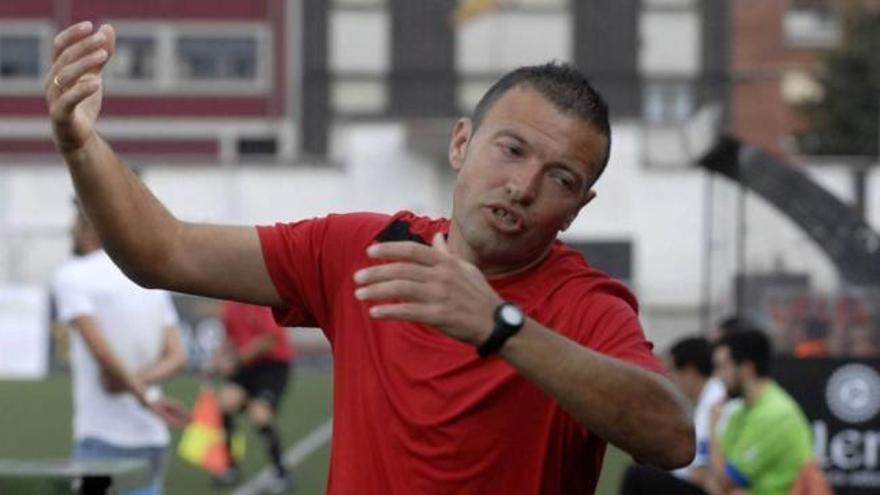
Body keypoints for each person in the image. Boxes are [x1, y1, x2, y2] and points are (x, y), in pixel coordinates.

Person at [45, 21, 694, 494]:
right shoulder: (362, 247)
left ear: (580, 205)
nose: (523, 186)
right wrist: (83, 146)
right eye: (512, 149)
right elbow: (166, 251)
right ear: (460, 142)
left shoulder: (584, 304)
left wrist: (500, 325)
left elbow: (670, 436)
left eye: (561, 178)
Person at [52, 204, 189, 494]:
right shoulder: (149, 275)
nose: (72, 231)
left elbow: (103, 356)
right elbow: (178, 356)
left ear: (90, 231)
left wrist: (140, 394)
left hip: (104, 438)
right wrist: (146, 391)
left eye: (76, 224)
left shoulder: (72, 275)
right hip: (153, 438)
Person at [709, 329, 813, 495]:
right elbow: (716, 479)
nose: (717, 376)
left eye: (722, 367)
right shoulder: (740, 412)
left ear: (746, 368)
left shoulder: (774, 414)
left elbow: (724, 481)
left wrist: (712, 424)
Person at [620, 336, 723, 494]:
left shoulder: (713, 400)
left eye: (672, 370)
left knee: (636, 475)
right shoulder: (708, 396)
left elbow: (700, 474)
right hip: (697, 482)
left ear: (690, 372)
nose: (670, 379)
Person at [209, 301, 295, 491]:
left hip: (272, 366)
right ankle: (230, 467)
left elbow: (269, 339)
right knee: (224, 404)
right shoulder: (230, 304)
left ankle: (282, 472)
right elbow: (229, 338)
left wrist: (235, 360)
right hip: (245, 366)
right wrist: (216, 360)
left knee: (259, 414)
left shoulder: (260, 302)